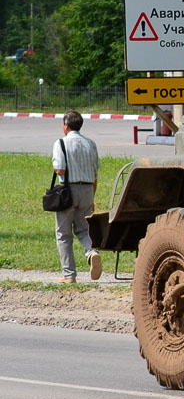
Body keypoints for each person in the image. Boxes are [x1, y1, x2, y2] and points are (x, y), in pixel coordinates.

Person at [51, 110, 101, 283]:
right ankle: (92, 252)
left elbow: (60, 169)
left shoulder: (60, 143)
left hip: (68, 191)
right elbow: (95, 173)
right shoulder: (91, 143)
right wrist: (92, 197)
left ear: (66, 126)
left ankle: (69, 275)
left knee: (64, 234)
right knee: (83, 229)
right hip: (87, 190)